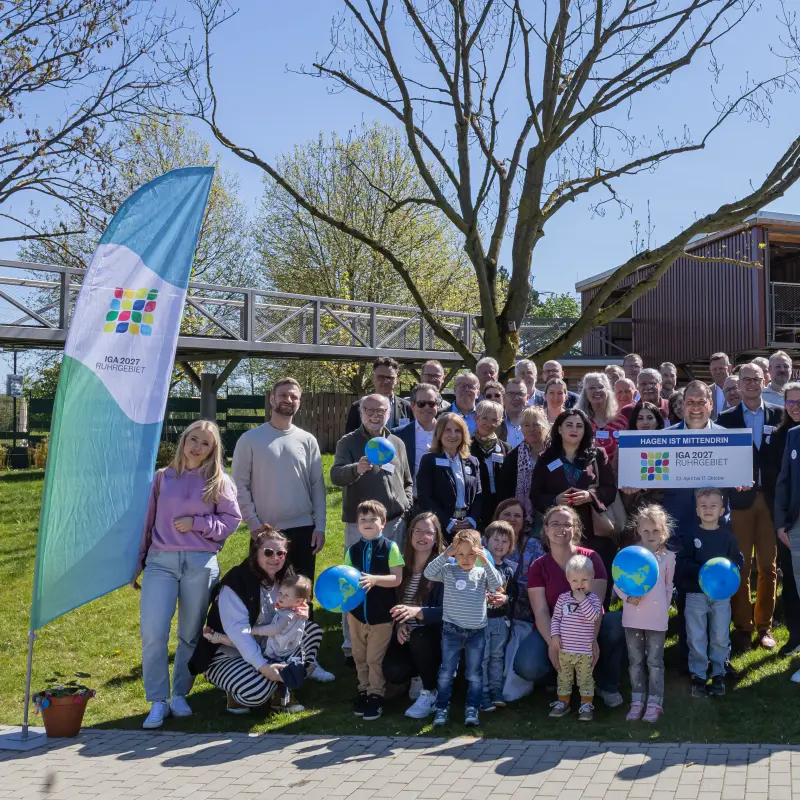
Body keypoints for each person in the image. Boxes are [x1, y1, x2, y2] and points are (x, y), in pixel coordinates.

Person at [135, 421, 241, 729]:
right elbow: (147, 521)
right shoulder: (162, 478)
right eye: (193, 439)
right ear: (183, 440)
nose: (197, 446)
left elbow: (231, 520)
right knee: (153, 633)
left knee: (190, 634)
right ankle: (157, 700)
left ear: (213, 449)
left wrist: (197, 523)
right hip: (160, 562)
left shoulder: (219, 481)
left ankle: (180, 693)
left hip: (200, 562)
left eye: (205, 443)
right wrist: (138, 562)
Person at [189, 527, 323, 715]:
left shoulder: (287, 578)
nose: (275, 558)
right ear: (255, 552)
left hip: (270, 647)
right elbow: (239, 634)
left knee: (312, 631)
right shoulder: (237, 582)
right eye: (268, 552)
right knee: (257, 692)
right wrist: (264, 667)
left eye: (281, 553)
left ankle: (281, 690)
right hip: (230, 652)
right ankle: (244, 691)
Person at [513, 505, 625, 707]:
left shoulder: (592, 558)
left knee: (615, 622)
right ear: (545, 529)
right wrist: (554, 644)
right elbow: (541, 611)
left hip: (589, 626)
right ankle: (559, 679)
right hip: (556, 628)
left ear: (576, 529)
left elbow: (597, 605)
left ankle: (606, 684)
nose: (561, 529)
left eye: (567, 524)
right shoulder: (538, 566)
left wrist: (591, 640)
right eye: (555, 524)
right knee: (527, 666)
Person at [330, 393, 412, 662]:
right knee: (353, 582)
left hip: (394, 522)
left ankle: (387, 640)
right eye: (370, 410)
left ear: (390, 411)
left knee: (390, 581)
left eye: (382, 410)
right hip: (361, 525)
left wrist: (406, 502)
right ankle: (350, 646)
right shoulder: (349, 442)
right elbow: (335, 474)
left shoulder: (397, 442)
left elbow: (407, 479)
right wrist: (357, 468)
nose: (376, 415)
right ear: (361, 412)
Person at [231, 378, 326, 600]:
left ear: (299, 403)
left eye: (294, 396)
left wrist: (320, 526)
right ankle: (264, 635)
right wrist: (253, 525)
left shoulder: (308, 440)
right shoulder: (250, 440)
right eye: (283, 395)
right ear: (272, 399)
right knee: (264, 595)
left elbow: (317, 486)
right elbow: (240, 487)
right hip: (265, 532)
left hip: (304, 531)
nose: (288, 400)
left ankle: (302, 636)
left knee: (301, 596)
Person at [717, 362, 782, 652]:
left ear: (764, 380)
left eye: (757, 378)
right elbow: (720, 462)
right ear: (738, 384)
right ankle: (743, 626)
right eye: (747, 379)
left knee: (768, 567)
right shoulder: (726, 418)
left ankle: (764, 627)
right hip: (739, 503)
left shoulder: (779, 415)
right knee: (740, 568)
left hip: (769, 502)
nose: (752, 383)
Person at [425, 528, 503, 727]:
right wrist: (446, 554)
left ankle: (472, 708)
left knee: (474, 674)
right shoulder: (449, 571)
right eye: (460, 554)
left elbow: (498, 583)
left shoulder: (481, 572)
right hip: (452, 631)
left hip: (477, 633)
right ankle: (442, 707)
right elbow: (428, 572)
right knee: (446, 673)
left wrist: (485, 561)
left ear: (479, 552)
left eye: (471, 554)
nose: (466, 558)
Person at [530, 408, 619, 581]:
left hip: (593, 531)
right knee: (561, 579)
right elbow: (535, 495)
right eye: (569, 425)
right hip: (559, 532)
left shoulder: (598, 455)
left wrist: (590, 496)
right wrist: (554, 500)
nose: (574, 429)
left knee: (594, 578)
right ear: (560, 429)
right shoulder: (546, 458)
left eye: (579, 426)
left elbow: (610, 488)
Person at [203, 573, 312, 711]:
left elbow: (274, 629)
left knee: (246, 641)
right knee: (245, 643)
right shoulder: (297, 609)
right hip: (280, 646)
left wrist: (255, 630)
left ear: (298, 601)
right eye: (281, 593)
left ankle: (279, 695)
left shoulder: (287, 614)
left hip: (274, 647)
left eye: (286, 596)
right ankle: (278, 694)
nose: (281, 597)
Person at [678, 488, 742, 697]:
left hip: (721, 597)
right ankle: (698, 676)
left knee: (720, 636)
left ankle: (718, 674)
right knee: (696, 637)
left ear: (722, 510)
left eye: (713, 506)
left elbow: (736, 562)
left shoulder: (728, 537)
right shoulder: (690, 535)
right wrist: (704, 572)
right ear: (696, 510)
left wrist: (731, 574)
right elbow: (683, 563)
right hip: (695, 594)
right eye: (703, 506)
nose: (708, 510)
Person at [614, 505, 676, 723]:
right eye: (646, 531)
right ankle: (637, 701)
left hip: (657, 620)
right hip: (632, 617)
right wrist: (626, 598)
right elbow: (618, 579)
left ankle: (655, 703)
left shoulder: (668, 558)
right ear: (638, 530)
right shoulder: (629, 555)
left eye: (656, 531)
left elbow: (669, 587)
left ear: (664, 532)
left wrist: (664, 609)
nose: (651, 536)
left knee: (655, 662)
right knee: (635, 661)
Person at [346, 500, 404, 721]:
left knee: (374, 659)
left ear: (383, 523)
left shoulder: (390, 547)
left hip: (381, 616)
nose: (367, 523)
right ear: (357, 525)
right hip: (356, 615)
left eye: (373, 519)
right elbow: (346, 579)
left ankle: (376, 695)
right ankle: (364, 690)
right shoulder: (353, 550)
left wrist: (375, 580)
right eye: (363, 520)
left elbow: (396, 578)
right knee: (359, 656)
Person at [383, 512, 445, 719]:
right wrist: (400, 625)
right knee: (393, 670)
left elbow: (449, 611)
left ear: (436, 537)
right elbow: (393, 606)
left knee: (420, 638)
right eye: (417, 530)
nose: (421, 536)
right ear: (410, 534)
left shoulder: (445, 569)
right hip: (404, 634)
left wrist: (417, 612)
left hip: (432, 637)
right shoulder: (401, 567)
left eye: (428, 532)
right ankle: (415, 675)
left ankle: (430, 691)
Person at [548, 554, 603, 722]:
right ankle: (563, 702)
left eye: (584, 580)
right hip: (565, 650)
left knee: (585, 679)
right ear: (568, 580)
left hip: (584, 651)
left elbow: (593, 618)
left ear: (592, 577)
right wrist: (555, 635)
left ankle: (586, 705)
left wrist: (582, 601)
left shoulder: (593, 599)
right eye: (575, 581)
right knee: (564, 678)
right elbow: (556, 618)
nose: (580, 585)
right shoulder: (563, 599)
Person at [770, 382, 800, 669]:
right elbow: (782, 484)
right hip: (794, 526)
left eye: (799, 401)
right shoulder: (790, 435)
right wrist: (780, 525)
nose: (794, 406)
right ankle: (796, 636)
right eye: (790, 402)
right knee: (793, 583)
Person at [416, 413, 482, 540]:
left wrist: (472, 519)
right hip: (440, 528)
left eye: (457, 431)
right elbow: (424, 498)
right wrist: (448, 522)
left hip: (467, 527)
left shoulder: (472, 462)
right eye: (447, 430)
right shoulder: (429, 460)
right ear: (439, 434)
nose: (453, 435)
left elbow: (478, 495)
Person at [481, 520, 516, 711]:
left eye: (505, 542)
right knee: (482, 656)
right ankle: (482, 692)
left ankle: (496, 690)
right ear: (485, 541)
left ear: (510, 546)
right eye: (496, 540)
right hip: (481, 620)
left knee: (497, 656)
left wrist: (506, 598)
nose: (499, 545)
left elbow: (515, 593)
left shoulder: (510, 569)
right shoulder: (477, 566)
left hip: (500, 621)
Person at [496, 406, 551, 521]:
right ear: (521, 428)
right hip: (521, 516)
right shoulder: (513, 457)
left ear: (544, 426)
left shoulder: (555, 452)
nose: (531, 429)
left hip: (549, 512)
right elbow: (505, 490)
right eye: (526, 425)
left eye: (536, 424)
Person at [470, 400, 512, 529]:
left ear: (500, 422)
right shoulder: (466, 447)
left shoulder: (506, 448)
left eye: (494, 420)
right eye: (484, 418)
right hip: (475, 506)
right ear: (476, 418)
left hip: (499, 506)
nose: (489, 424)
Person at [393, 383, 440, 493]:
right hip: (410, 499)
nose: (427, 407)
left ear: (437, 405)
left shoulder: (448, 433)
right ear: (413, 405)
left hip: (440, 501)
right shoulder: (398, 435)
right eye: (421, 404)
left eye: (431, 403)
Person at [345, 357, 411, 433]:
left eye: (390, 378)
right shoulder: (358, 407)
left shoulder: (407, 408)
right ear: (373, 378)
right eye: (381, 377)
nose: (386, 381)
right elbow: (350, 439)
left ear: (396, 380)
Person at [577, 372, 620, 462]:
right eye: (592, 388)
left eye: (601, 387)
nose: (597, 390)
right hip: (586, 473)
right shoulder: (579, 420)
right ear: (585, 392)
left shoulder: (621, 421)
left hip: (616, 473)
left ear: (608, 390)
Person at [498, 377, 529, 448]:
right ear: (504, 397)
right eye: (511, 393)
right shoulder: (495, 422)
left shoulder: (535, 423)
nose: (516, 398)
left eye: (521, 394)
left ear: (527, 398)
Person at [708, 352, 731, 421]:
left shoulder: (740, 389)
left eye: (721, 368)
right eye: (714, 369)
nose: (718, 372)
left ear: (729, 368)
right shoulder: (707, 391)